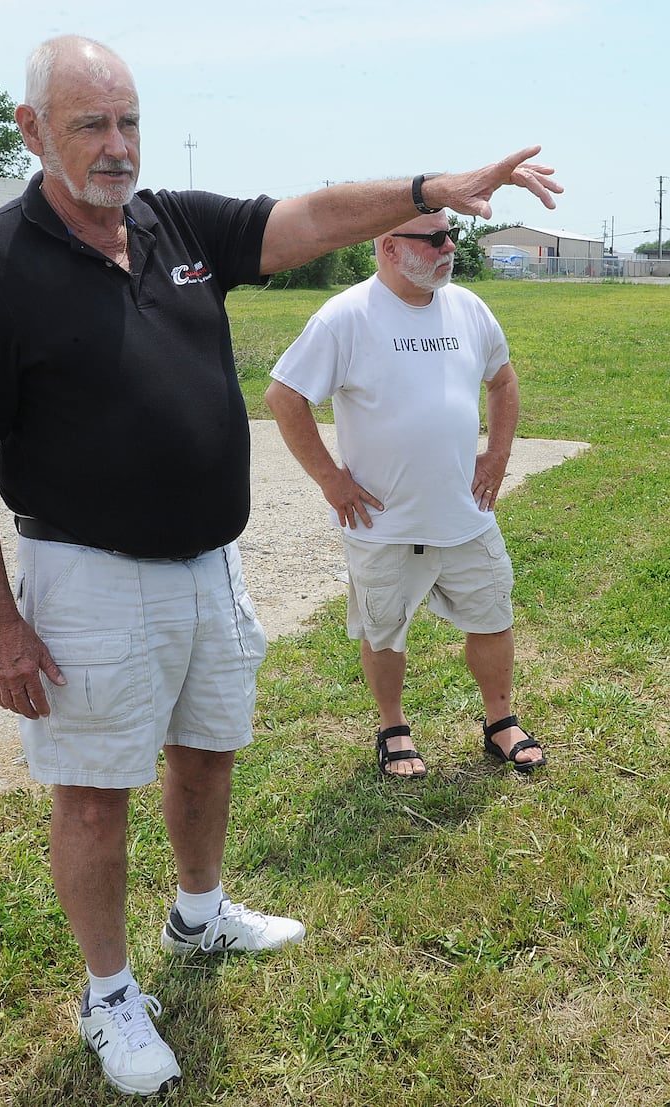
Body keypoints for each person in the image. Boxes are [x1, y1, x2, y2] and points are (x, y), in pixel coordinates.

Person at [0, 34, 561, 1098]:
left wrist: (431, 188)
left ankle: (200, 915)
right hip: (85, 572)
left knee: (208, 752)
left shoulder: (175, 225)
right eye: (90, 124)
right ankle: (109, 993)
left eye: (128, 120)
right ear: (32, 131)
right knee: (91, 796)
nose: (117, 145)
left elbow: (308, 218)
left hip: (208, 566)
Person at [265, 212, 546, 783]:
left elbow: (503, 379)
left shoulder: (469, 307)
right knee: (383, 629)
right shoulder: (346, 317)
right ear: (390, 248)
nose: (449, 248)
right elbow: (284, 396)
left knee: (492, 616)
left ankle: (500, 720)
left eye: (452, 237)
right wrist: (331, 480)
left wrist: (496, 455)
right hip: (385, 523)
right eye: (435, 239)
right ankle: (393, 729)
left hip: (466, 516)